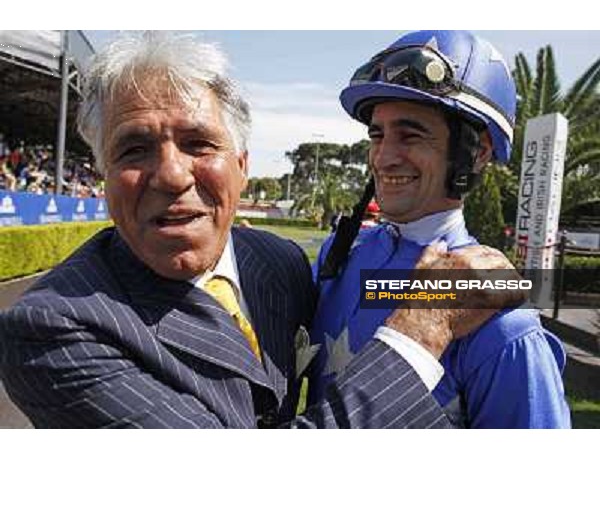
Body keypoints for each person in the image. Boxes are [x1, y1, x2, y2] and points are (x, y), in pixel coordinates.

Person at [0, 32, 524, 429]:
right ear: (102, 173)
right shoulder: (48, 327)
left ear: (243, 165)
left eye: (199, 143)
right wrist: (420, 331)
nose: (172, 175)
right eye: (133, 149)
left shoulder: (285, 263)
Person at [311, 30, 571, 428]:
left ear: (478, 152)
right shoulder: (337, 255)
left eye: (410, 135)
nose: (384, 157)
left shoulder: (502, 321)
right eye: (377, 135)